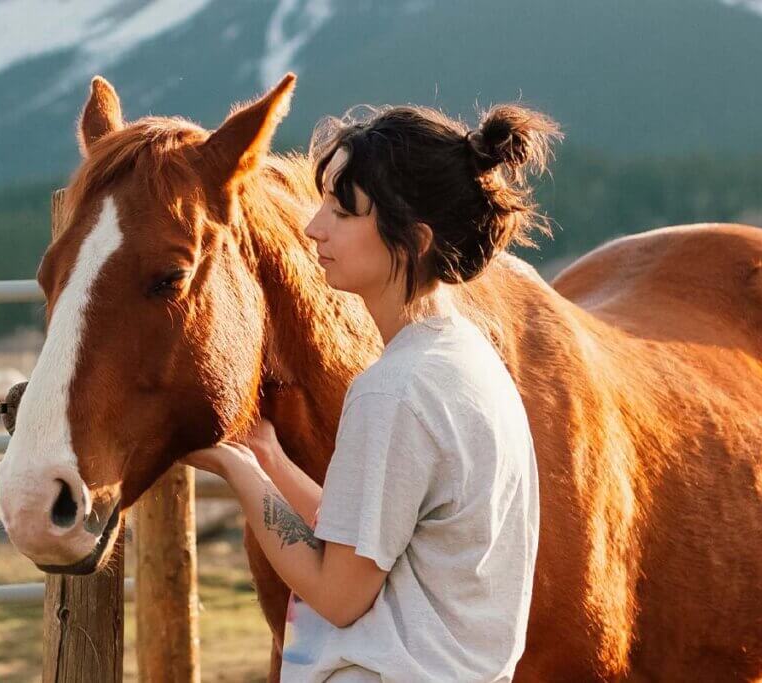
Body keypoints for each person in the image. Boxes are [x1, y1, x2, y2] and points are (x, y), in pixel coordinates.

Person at [183, 101, 561, 682]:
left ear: (411, 239)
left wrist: (241, 477)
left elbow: (338, 594)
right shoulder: (464, 360)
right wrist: (270, 458)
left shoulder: (395, 392)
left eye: (342, 210)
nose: (314, 227)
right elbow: (368, 533)